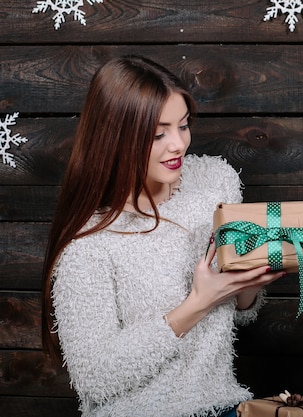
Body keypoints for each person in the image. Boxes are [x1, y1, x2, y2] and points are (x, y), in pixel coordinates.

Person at [41, 55, 284, 417]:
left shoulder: (215, 182)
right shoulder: (88, 244)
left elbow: (239, 314)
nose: (178, 145)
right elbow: (94, 377)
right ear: (116, 137)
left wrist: (248, 282)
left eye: (183, 126)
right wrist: (196, 303)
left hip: (226, 404)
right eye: (158, 134)